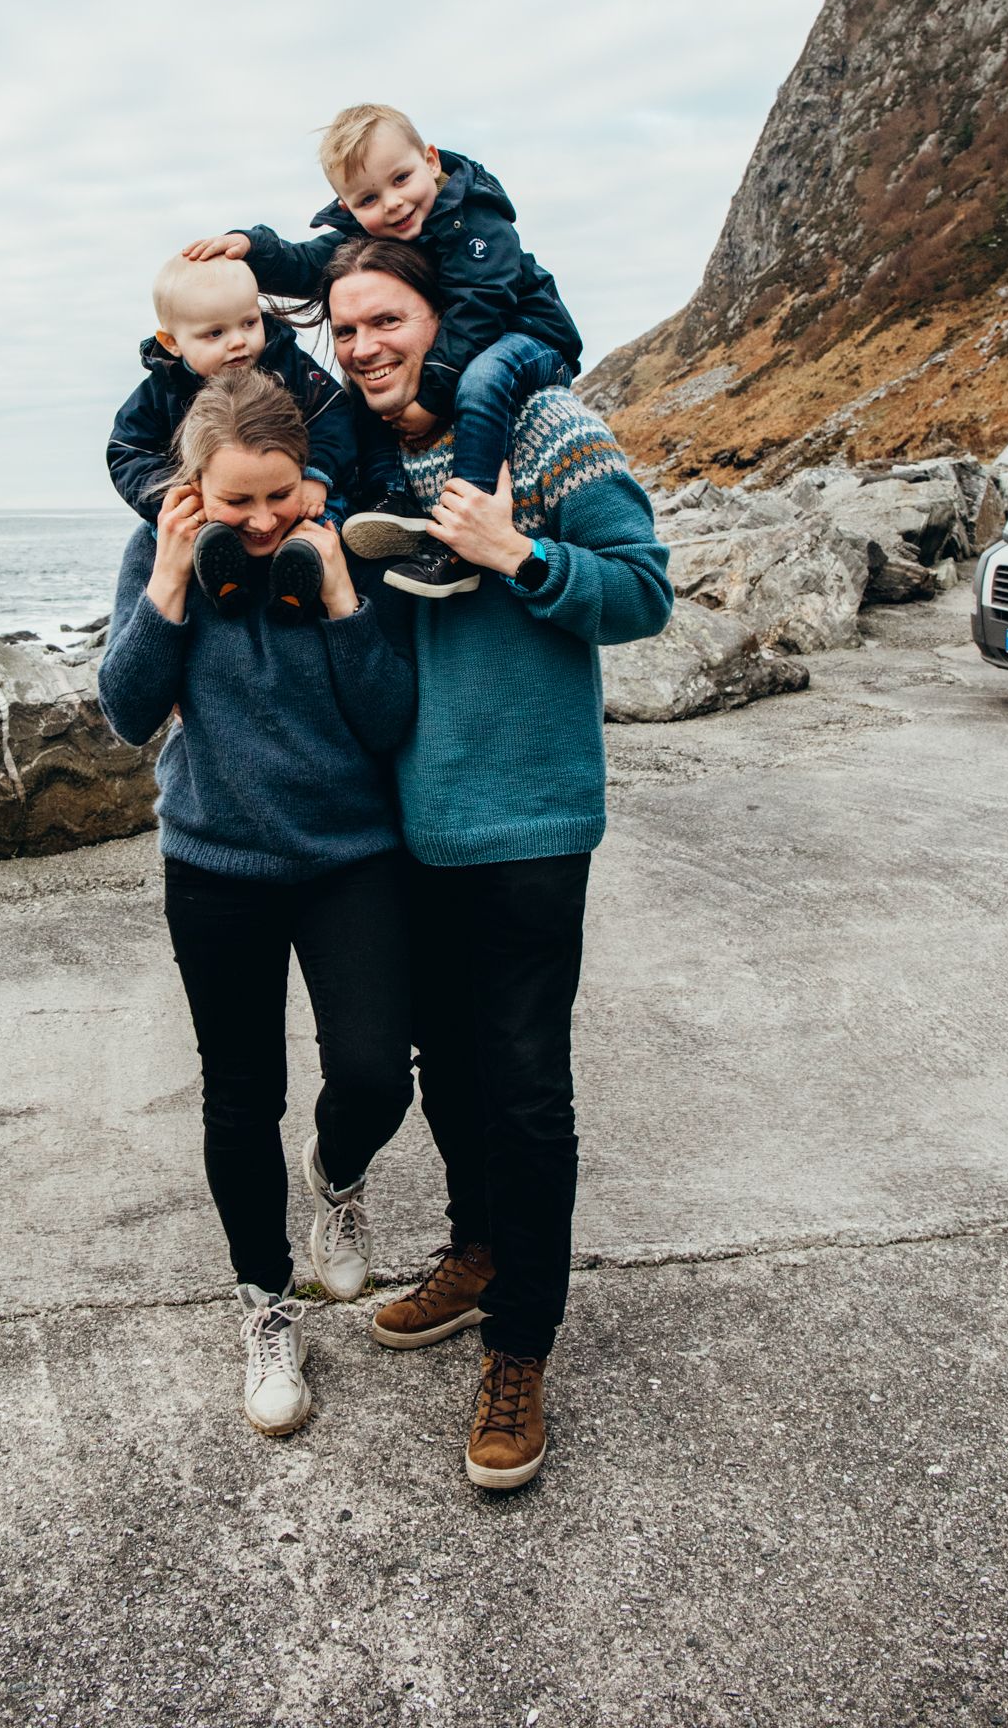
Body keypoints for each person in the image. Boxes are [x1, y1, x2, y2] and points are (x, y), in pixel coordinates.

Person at [321, 237, 673, 1491]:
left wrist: (515, 555)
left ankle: (521, 1343)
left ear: (437, 314)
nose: (361, 345)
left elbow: (642, 594)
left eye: (384, 318)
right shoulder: (360, 457)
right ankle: (475, 1255)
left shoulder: (543, 422)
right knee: (446, 1065)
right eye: (342, 327)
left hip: (526, 813)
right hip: (400, 822)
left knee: (524, 1083)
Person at [97, 367, 415, 1437]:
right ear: (194, 487)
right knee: (240, 1095)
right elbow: (126, 712)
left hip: (350, 855)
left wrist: (334, 597)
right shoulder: (163, 549)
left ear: (311, 479)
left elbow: (385, 721)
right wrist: (172, 580)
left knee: (374, 1072)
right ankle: (264, 1305)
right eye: (238, 499)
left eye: (281, 493)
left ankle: (336, 1178)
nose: (264, 517)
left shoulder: (343, 554)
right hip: (216, 860)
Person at [184, 103, 582, 598]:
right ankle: (391, 495)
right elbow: (306, 262)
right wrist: (251, 246)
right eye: (370, 197)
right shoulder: (379, 234)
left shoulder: (474, 222)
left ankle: (464, 523)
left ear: (432, 161)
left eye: (400, 179)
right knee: (363, 394)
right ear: (348, 209)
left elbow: (482, 306)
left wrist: (431, 400)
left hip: (531, 334)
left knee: (484, 376)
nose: (392, 204)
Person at [105, 251, 357, 620]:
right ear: (172, 342)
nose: (238, 342)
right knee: (171, 531)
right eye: (216, 333)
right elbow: (128, 451)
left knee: (328, 514)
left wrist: (315, 475)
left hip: (305, 502)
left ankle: (301, 571)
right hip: (201, 515)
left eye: (249, 323)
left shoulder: (288, 363)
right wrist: (175, 499)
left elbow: (333, 415)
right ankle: (216, 575)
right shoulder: (161, 390)